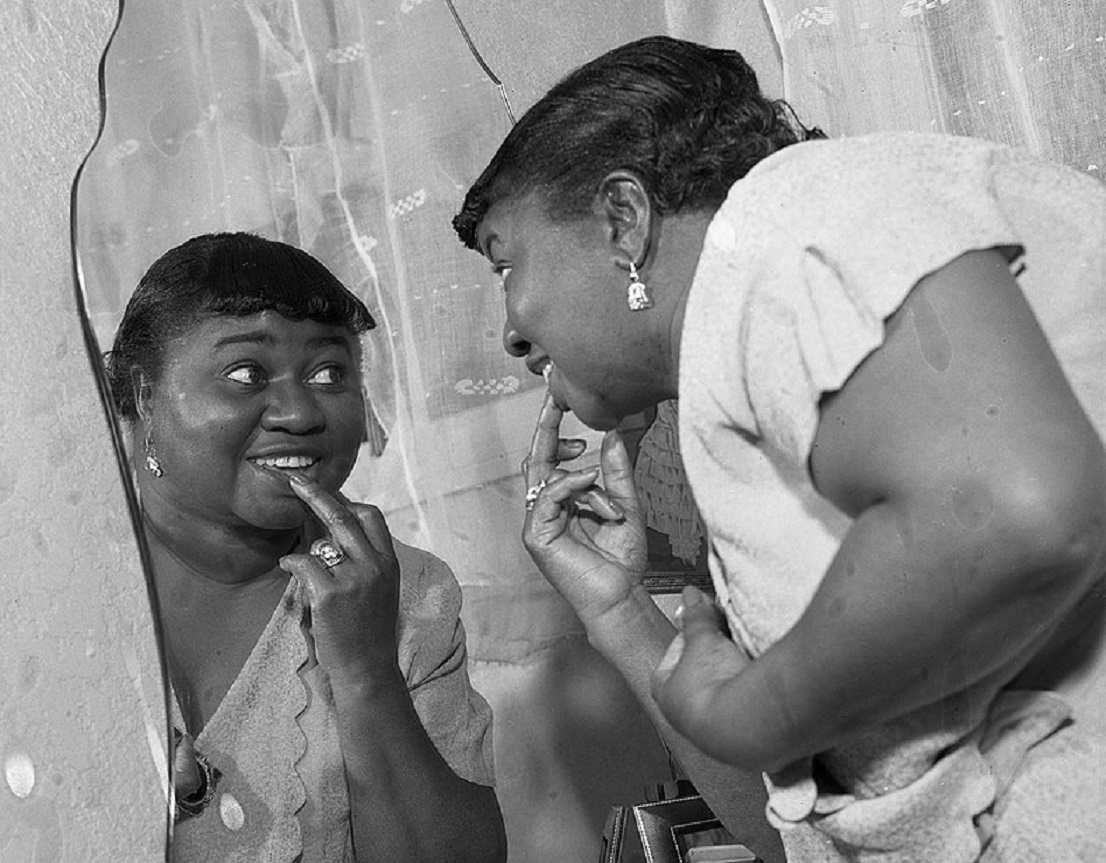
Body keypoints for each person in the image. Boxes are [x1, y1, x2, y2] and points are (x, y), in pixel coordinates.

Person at [452, 35, 1106, 862]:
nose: (510, 334)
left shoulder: (793, 217)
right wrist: (618, 611)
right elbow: (794, 826)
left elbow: (1019, 510)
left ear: (623, 219)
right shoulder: (774, 363)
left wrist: (746, 708)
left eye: (504, 265)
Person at [105, 232, 507, 863]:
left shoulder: (408, 592)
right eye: (246, 374)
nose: (299, 414)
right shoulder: (52, 589)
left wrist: (367, 670)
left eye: (329, 374)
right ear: (143, 397)